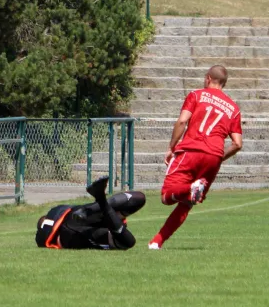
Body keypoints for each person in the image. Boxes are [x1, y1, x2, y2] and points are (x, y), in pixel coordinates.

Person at [148, 65, 243, 250]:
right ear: (224, 83)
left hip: (191, 150)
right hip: (214, 156)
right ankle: (156, 242)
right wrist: (219, 158)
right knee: (188, 202)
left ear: (208, 78)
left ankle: (190, 188)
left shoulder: (196, 95)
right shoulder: (233, 108)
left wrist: (171, 147)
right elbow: (238, 143)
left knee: (167, 197)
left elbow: (183, 121)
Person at [35, 176, 146, 250]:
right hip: (74, 229)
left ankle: (101, 200)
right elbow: (43, 224)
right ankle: (101, 199)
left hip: (79, 218)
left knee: (140, 198)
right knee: (127, 242)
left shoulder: (56, 215)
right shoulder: (50, 226)